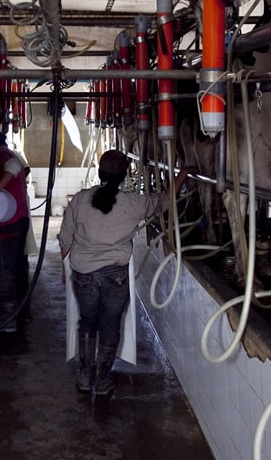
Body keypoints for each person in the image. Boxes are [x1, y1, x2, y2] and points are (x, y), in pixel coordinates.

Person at [58, 150, 193, 395]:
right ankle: (102, 380)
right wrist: (182, 174)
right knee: (110, 325)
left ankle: (85, 377)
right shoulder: (133, 203)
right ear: (124, 175)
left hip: (83, 274)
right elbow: (164, 200)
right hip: (115, 275)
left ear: (99, 174)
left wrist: (64, 268)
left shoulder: (79, 199)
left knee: (87, 322)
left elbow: (65, 238)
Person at [0, 130, 31, 332]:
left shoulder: (2, 154)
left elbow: (14, 166)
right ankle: (23, 313)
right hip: (19, 218)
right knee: (18, 268)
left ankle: (8, 320)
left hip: (6, 223)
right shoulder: (6, 155)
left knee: (2, 270)